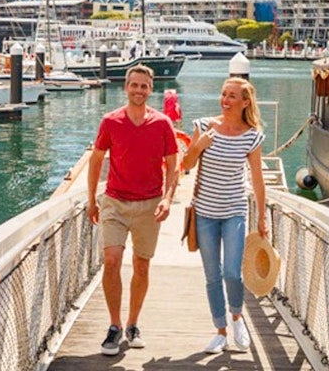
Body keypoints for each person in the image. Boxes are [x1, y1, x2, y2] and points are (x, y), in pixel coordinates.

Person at [87, 65, 179, 356]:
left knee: (142, 265)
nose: (139, 90)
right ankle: (114, 326)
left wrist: (167, 198)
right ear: (125, 87)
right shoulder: (110, 121)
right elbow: (96, 160)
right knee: (112, 260)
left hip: (149, 204)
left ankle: (133, 323)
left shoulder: (163, 123)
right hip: (114, 201)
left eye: (144, 86)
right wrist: (92, 199)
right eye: (134, 85)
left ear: (150, 90)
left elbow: (174, 165)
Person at [181, 76, 267, 354]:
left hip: (234, 211)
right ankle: (220, 331)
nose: (225, 100)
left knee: (232, 272)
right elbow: (186, 165)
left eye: (232, 96)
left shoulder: (252, 135)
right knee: (212, 275)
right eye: (223, 94)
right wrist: (198, 145)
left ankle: (237, 317)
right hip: (204, 212)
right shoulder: (204, 126)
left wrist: (262, 218)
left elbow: (257, 180)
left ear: (245, 102)